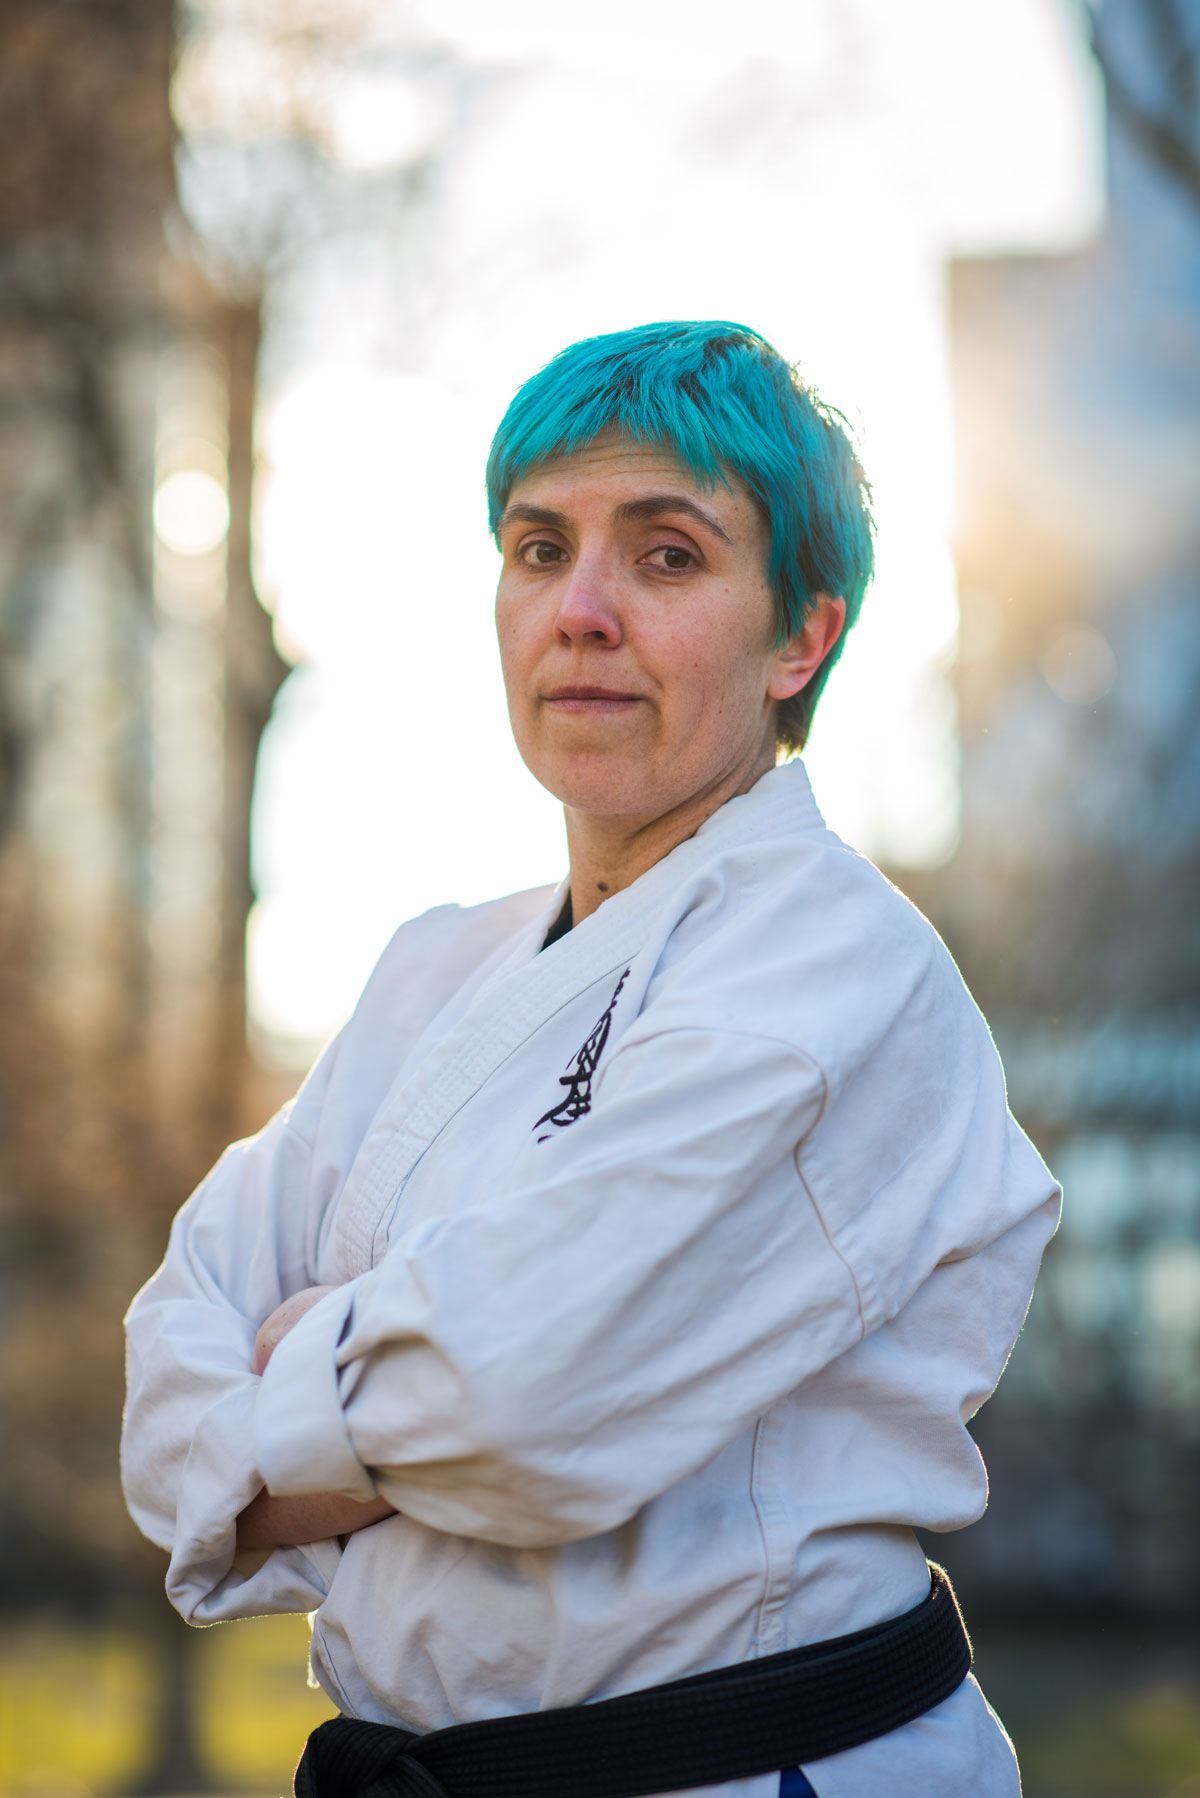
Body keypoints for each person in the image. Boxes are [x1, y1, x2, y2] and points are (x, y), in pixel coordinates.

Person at [121, 320, 1061, 1798]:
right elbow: (168, 1372)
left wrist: (293, 1394)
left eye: (668, 556)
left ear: (801, 633)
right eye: (540, 546)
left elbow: (520, 1402)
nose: (582, 609)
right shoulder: (434, 966)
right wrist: (378, 1377)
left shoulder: (835, 971)